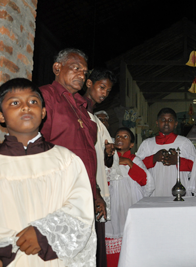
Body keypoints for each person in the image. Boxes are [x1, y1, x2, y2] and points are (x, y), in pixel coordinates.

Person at [0, 78, 96, 267]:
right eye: (15, 103)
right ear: (0, 116)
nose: (26, 107)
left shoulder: (66, 160)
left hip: (55, 259)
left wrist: (44, 234)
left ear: (43, 112)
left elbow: (81, 211)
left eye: (33, 101)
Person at [39, 48, 106, 266]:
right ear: (57, 68)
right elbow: (34, 147)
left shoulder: (81, 108)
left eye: (85, 72)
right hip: (58, 196)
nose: (82, 75)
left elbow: (88, 155)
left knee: (82, 258)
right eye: (76, 68)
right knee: (58, 257)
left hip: (84, 197)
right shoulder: (44, 97)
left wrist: (95, 193)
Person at [104, 127, 154, 267]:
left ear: (132, 144)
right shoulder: (105, 159)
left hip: (130, 206)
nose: (120, 139)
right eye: (118, 136)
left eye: (125, 137)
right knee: (113, 246)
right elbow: (102, 183)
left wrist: (129, 163)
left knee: (132, 245)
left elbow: (146, 182)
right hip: (113, 208)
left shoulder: (135, 160)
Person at [83, 68, 117, 267]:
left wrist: (108, 154)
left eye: (108, 90)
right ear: (89, 84)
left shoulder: (96, 121)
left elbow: (107, 164)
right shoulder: (79, 115)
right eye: (101, 87)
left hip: (96, 186)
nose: (104, 93)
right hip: (83, 186)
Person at [136, 108, 196, 196]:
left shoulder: (185, 142)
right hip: (155, 191)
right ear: (157, 123)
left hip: (180, 191)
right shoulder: (147, 144)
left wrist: (178, 161)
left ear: (176, 124)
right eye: (163, 120)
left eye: (170, 120)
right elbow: (137, 167)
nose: (166, 123)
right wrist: (153, 158)